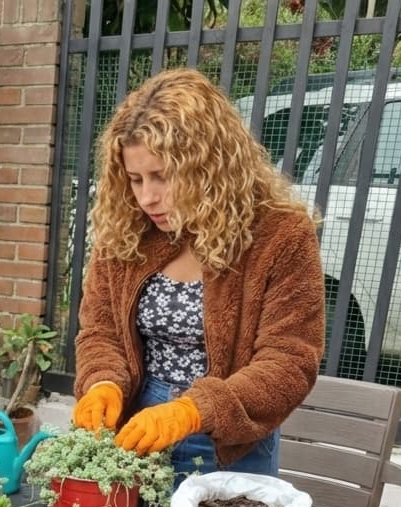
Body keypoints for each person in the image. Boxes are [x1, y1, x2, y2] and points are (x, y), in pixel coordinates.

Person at [72, 68, 325, 484]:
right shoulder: (128, 228)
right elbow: (100, 330)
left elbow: (289, 361)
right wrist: (102, 383)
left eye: (163, 176)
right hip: (136, 431)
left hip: (229, 443)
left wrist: (196, 409)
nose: (147, 197)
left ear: (210, 167)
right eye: (135, 179)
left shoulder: (280, 234)